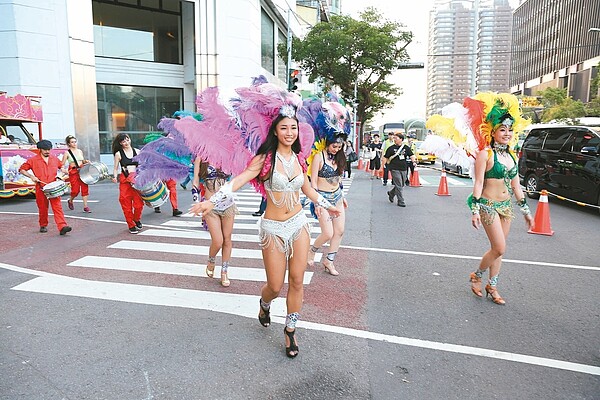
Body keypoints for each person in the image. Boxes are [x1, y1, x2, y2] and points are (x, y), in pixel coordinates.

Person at [190, 112, 341, 358]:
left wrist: (327, 203)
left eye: (293, 127)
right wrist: (212, 201)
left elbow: (308, 190)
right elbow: (238, 181)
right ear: (275, 131)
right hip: (273, 228)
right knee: (274, 285)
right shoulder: (265, 160)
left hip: (298, 224)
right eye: (284, 128)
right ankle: (265, 304)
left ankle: (291, 329)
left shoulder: (300, 159)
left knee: (296, 280)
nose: (290, 132)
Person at [468, 119, 533, 305]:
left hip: (506, 206)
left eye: (510, 130)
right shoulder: (485, 154)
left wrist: (526, 211)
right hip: (488, 205)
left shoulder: (512, 156)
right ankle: (476, 276)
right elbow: (479, 183)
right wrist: (474, 209)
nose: (507, 133)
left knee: (499, 251)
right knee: (499, 247)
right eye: (502, 129)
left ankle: (492, 286)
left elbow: (516, 185)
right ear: (493, 133)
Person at [307, 135, 348, 275]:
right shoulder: (319, 156)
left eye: (339, 147)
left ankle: (329, 261)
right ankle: (311, 251)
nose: (336, 149)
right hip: (322, 199)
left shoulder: (339, 157)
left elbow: (339, 178)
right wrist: (316, 202)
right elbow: (313, 181)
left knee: (340, 231)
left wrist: (342, 195)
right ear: (327, 144)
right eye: (334, 146)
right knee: (328, 233)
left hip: (337, 197)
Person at [193, 158, 237, 287]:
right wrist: (196, 201)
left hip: (228, 204)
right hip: (210, 205)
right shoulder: (201, 157)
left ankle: (224, 272)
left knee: (227, 239)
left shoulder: (226, 153)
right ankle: (211, 260)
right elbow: (195, 180)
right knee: (218, 241)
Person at [19, 140, 72, 235]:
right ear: (40, 149)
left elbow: (61, 166)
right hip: (41, 187)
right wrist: (31, 176)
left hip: (53, 187)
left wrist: (63, 171)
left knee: (57, 207)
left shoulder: (54, 159)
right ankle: (43, 225)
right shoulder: (33, 160)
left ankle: (62, 226)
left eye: (49, 149)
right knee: (43, 208)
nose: (47, 151)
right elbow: (22, 169)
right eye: (45, 150)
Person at [111, 133, 144, 234]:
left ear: (130, 139)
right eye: (123, 141)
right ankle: (131, 224)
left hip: (136, 180)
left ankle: (136, 219)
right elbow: (115, 168)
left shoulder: (137, 151)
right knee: (126, 203)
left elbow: (143, 165)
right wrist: (114, 176)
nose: (126, 142)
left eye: (127, 140)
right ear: (120, 143)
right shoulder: (118, 154)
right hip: (125, 180)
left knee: (139, 204)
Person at [382, 133, 416, 207]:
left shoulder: (406, 147)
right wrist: (383, 166)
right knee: (399, 184)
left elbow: (411, 155)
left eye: (396, 138)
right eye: (394, 138)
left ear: (401, 139)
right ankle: (401, 201)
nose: (394, 140)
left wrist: (414, 161)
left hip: (404, 168)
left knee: (401, 184)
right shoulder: (391, 148)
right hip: (394, 168)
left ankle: (391, 193)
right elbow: (385, 157)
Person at [62, 135, 91, 213]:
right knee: (75, 190)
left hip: (82, 170)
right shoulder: (67, 153)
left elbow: (81, 161)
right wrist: (63, 169)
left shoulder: (79, 151)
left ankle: (85, 206)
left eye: (75, 142)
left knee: (85, 188)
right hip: (73, 171)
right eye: (72, 142)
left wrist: (86, 161)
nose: (74, 144)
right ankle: (70, 200)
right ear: (69, 144)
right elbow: (62, 164)